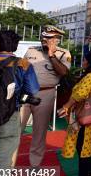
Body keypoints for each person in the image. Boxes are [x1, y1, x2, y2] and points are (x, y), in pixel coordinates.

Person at [0, 30, 40, 176]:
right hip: (9, 115)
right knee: (2, 162)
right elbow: (33, 90)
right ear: (14, 47)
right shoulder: (23, 64)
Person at [20, 25, 71, 167]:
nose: (44, 39)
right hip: (26, 94)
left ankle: (34, 165)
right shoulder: (31, 51)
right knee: (16, 128)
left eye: (48, 38)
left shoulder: (64, 53)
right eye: (43, 37)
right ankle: (6, 164)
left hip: (45, 93)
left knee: (39, 131)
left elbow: (63, 72)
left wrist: (51, 54)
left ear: (57, 40)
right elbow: (22, 69)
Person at [58, 52, 91, 176]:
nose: (83, 62)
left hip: (84, 116)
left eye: (85, 60)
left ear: (90, 62)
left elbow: (80, 94)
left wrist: (66, 106)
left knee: (83, 147)